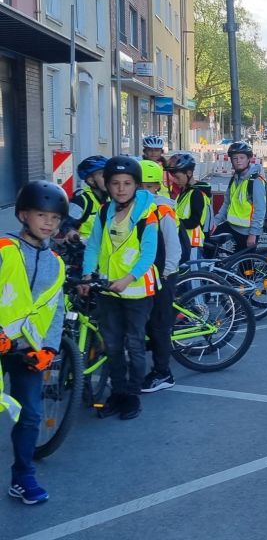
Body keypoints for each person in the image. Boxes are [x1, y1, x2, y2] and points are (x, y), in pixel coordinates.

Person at [1, 182, 68, 505]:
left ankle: (23, 476)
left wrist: (49, 349)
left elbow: (56, 309)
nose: (48, 224)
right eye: (41, 215)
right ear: (23, 215)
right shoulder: (4, 250)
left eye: (55, 219)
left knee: (30, 415)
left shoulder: (56, 263)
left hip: (28, 350)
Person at [80, 156, 160, 420]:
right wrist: (87, 274)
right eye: (115, 183)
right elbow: (93, 245)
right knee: (112, 344)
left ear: (136, 185)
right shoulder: (105, 212)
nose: (121, 188)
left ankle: (132, 395)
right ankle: (117, 391)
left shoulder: (148, 214)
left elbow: (148, 254)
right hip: (106, 288)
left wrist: (127, 279)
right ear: (108, 185)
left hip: (136, 291)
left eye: (127, 183)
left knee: (135, 343)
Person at [138, 160, 182, 393]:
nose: (140, 191)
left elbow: (173, 248)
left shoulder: (162, 209)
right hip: (145, 275)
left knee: (159, 324)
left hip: (163, 274)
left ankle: (163, 373)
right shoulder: (138, 208)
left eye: (146, 186)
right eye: (138, 186)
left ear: (155, 187)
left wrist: (166, 274)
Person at [215, 141, 267, 251]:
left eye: (242, 158)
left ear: (248, 159)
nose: (238, 161)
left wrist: (253, 234)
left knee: (245, 266)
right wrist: (215, 223)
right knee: (208, 241)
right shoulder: (235, 179)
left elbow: (260, 210)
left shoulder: (255, 181)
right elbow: (227, 203)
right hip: (232, 226)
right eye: (235, 158)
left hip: (247, 231)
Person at [166, 152, 213, 264]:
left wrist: (171, 222)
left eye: (177, 177)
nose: (175, 181)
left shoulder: (196, 194)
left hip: (192, 244)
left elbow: (193, 221)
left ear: (189, 173)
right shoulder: (184, 191)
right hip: (184, 242)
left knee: (193, 280)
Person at [63, 155, 109, 244]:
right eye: (104, 175)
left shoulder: (111, 197)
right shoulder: (82, 200)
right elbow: (67, 224)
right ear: (91, 181)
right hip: (85, 251)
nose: (109, 178)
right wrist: (71, 232)